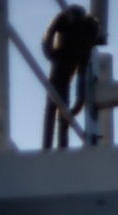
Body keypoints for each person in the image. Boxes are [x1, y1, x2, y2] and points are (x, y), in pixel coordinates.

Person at [41, 6, 102, 150]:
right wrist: (52, 54)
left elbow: (82, 72)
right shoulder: (69, 19)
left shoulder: (89, 30)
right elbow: (48, 36)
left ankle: (59, 146)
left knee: (60, 107)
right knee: (54, 105)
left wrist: (79, 102)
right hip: (62, 61)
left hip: (69, 61)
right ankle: (52, 146)